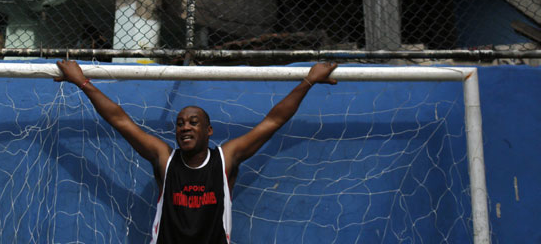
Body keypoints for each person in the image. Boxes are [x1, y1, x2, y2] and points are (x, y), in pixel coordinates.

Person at [55, 60, 339, 244]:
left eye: (193, 122)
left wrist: (309, 81)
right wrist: (82, 82)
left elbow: (273, 121)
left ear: (209, 131)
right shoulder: (164, 159)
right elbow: (119, 120)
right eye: (179, 123)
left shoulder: (225, 158)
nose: (185, 127)